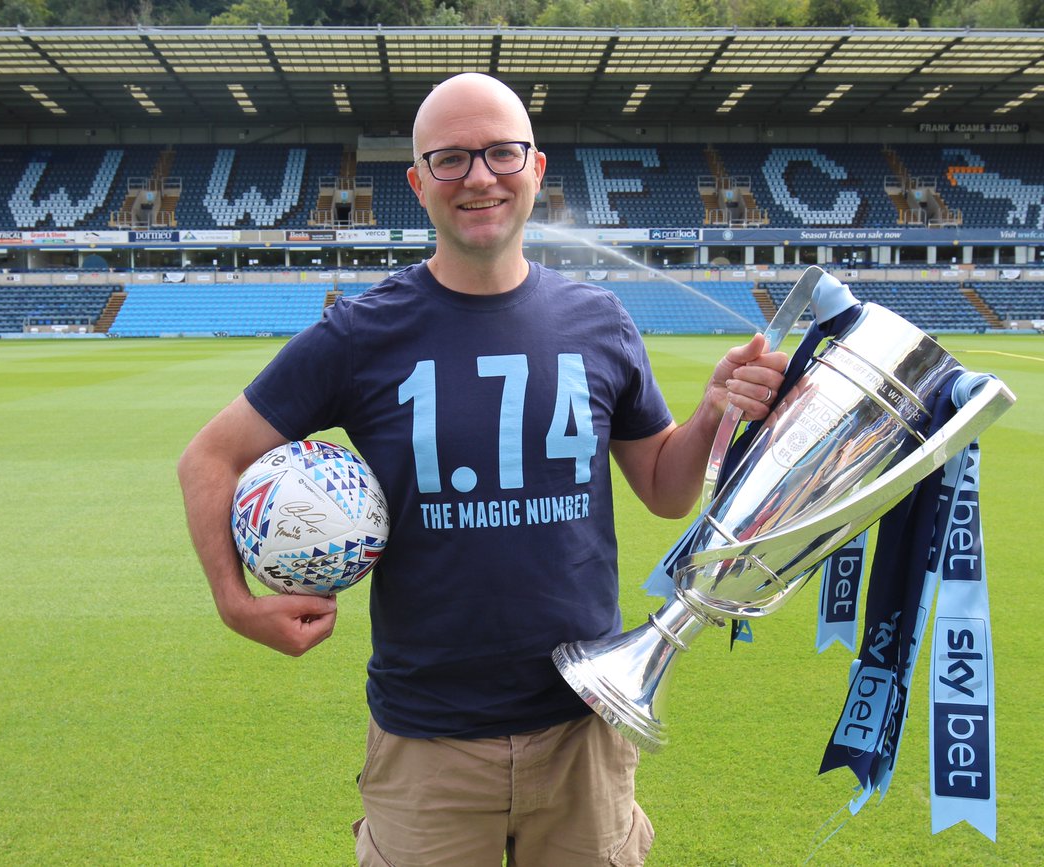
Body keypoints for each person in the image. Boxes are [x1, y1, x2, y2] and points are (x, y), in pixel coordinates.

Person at [177, 72, 788, 867]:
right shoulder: (363, 333)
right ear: (418, 182)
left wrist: (712, 414)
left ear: (536, 168)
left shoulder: (599, 320)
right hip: (427, 742)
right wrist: (235, 603)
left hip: (586, 729)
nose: (479, 177)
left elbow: (666, 492)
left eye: (501, 153)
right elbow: (209, 459)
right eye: (451, 159)